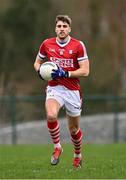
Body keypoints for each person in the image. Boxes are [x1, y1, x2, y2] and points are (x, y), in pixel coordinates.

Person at [34, 15, 90, 168]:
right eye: (59, 26)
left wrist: (66, 73)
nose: (62, 29)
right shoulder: (47, 44)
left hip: (72, 91)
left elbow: (85, 71)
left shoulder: (78, 45)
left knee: (74, 129)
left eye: (65, 26)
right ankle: (57, 147)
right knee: (51, 115)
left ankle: (77, 154)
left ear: (69, 29)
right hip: (55, 88)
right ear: (55, 28)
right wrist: (40, 72)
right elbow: (37, 62)